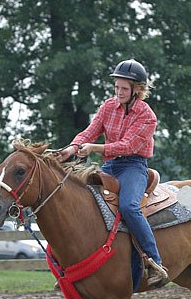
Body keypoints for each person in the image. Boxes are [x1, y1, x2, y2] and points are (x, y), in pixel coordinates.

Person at [55, 59, 169, 287]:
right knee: (80, 202)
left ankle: (155, 262)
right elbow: (90, 131)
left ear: (138, 89)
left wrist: (96, 148)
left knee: (129, 207)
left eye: (124, 88)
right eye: (116, 87)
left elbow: (128, 146)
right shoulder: (108, 107)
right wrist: (70, 149)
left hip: (134, 166)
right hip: (110, 167)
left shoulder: (147, 116)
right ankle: (73, 265)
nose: (119, 92)